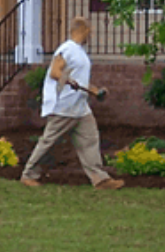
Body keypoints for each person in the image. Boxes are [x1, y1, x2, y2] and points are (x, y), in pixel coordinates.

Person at [20, 16, 124, 191]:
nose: (90, 34)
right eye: (89, 31)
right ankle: (28, 174)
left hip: (80, 107)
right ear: (83, 30)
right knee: (49, 141)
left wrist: (96, 92)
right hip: (64, 106)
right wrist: (66, 80)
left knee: (90, 139)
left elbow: (80, 81)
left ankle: (100, 180)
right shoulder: (67, 49)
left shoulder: (80, 52)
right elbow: (54, 71)